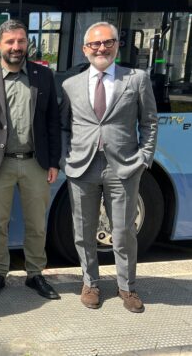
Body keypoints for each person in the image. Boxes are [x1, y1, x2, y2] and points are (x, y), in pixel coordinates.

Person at [60, 21, 158, 313]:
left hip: (124, 167)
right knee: (82, 229)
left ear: (117, 44)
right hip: (82, 167)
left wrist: (144, 157)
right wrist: (66, 157)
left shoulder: (137, 79)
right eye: (95, 44)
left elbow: (149, 122)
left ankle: (127, 288)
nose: (101, 48)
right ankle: (90, 283)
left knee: (124, 231)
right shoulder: (70, 85)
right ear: (85, 49)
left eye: (107, 42)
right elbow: (64, 126)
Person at [0, 19, 61, 300]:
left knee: (37, 223)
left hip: (36, 163)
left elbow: (52, 123)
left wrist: (54, 162)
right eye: (10, 42)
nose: (16, 47)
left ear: (27, 44)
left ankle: (36, 275)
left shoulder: (43, 77)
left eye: (21, 41)